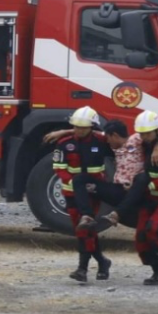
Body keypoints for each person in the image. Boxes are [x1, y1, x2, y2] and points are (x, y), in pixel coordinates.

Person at [52, 106, 113, 283]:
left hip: (93, 192)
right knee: (84, 230)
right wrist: (73, 183)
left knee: (85, 229)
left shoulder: (101, 141)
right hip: (71, 192)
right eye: (76, 127)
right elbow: (59, 168)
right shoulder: (64, 143)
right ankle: (102, 262)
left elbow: (121, 143)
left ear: (92, 127)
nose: (79, 130)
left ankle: (82, 269)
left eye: (83, 127)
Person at [122, 110, 158, 286]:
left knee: (153, 228)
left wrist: (145, 186)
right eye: (141, 133)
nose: (144, 137)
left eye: (147, 133)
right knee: (141, 237)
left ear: (156, 131)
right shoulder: (145, 144)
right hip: (150, 198)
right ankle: (156, 270)